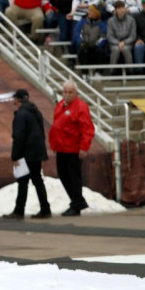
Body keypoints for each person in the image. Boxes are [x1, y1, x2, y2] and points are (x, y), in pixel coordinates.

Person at [48, 80, 95, 216]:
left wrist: (84, 147)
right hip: (61, 148)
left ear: (76, 93)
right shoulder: (60, 105)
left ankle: (76, 205)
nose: (67, 95)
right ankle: (78, 201)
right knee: (63, 175)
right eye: (65, 92)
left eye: (70, 92)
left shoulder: (80, 107)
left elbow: (87, 129)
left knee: (74, 177)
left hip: (73, 149)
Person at [3, 89, 51, 220]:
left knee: (23, 182)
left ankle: (19, 211)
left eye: (15, 100)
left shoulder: (21, 114)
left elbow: (18, 137)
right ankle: (45, 209)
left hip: (26, 153)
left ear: (17, 101)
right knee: (37, 180)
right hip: (37, 151)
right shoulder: (36, 112)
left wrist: (15, 156)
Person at [106, 0, 137, 70]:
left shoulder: (131, 20)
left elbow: (133, 36)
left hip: (127, 43)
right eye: (119, 8)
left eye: (123, 8)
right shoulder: (110, 21)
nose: (121, 10)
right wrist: (118, 43)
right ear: (116, 10)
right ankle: (112, 71)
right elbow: (109, 36)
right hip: (114, 43)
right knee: (115, 49)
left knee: (125, 49)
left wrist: (124, 42)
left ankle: (130, 71)